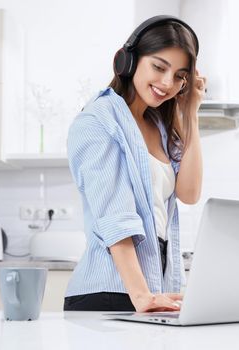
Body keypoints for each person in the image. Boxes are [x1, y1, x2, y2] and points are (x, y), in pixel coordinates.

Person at [63, 15, 205, 312]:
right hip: (111, 293)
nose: (168, 83)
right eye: (158, 67)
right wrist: (141, 296)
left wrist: (190, 111)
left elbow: (189, 193)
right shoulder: (98, 120)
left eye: (180, 76)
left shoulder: (160, 125)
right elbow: (116, 216)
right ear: (128, 61)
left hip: (152, 292)